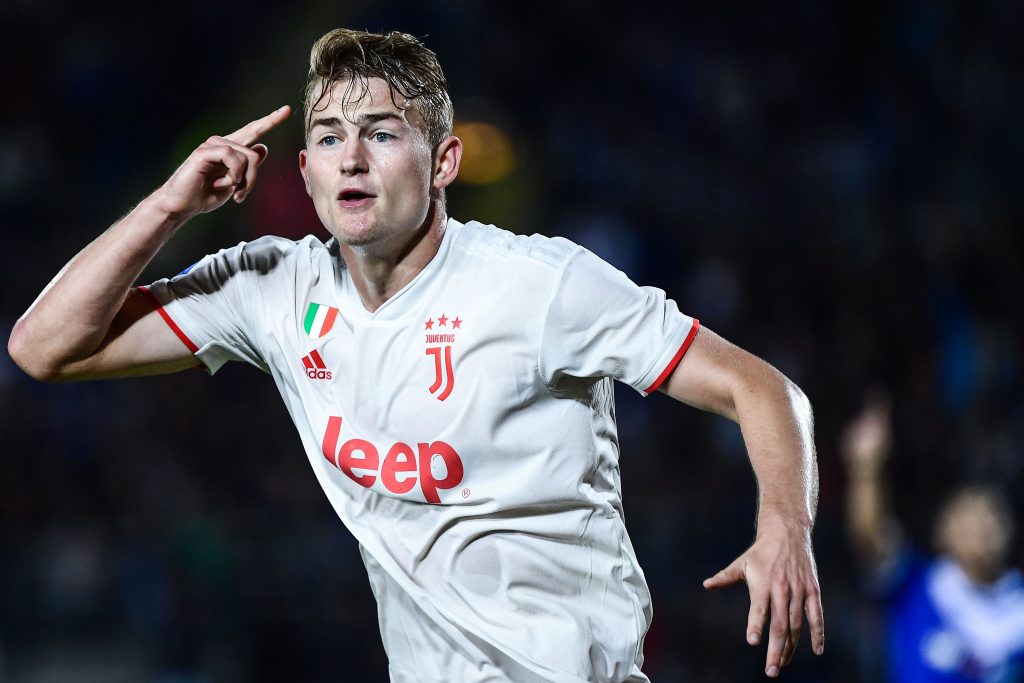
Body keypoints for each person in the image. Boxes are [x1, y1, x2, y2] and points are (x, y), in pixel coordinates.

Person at [8, 28, 823, 682]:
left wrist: (784, 525)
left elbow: (762, 389)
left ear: (444, 162)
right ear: (307, 172)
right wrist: (168, 205)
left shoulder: (542, 286)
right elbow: (42, 347)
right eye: (330, 137)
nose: (352, 157)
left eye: (381, 133)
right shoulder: (272, 287)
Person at [841, 393, 1024, 682]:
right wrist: (866, 472)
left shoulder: (1018, 606)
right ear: (944, 533)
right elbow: (871, 537)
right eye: (970, 518)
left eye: (993, 517)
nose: (983, 528)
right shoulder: (917, 584)